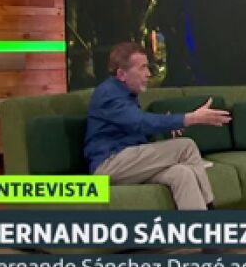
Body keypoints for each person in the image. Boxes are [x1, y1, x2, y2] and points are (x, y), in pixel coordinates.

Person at [84, 42, 232, 210]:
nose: (148, 74)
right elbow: (139, 122)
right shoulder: (108, 93)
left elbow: (135, 129)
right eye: (142, 68)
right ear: (122, 74)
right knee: (186, 146)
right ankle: (211, 207)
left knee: (182, 174)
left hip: (130, 164)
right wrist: (191, 118)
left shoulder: (127, 94)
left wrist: (167, 125)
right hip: (109, 165)